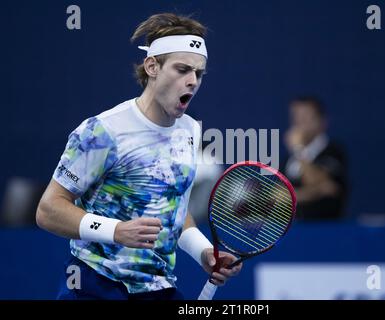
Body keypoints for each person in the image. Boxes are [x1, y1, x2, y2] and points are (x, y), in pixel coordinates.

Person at [35, 13, 242, 300]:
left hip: (158, 289)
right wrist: (116, 230)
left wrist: (203, 251)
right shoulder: (102, 131)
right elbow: (48, 210)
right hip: (94, 285)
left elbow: (172, 208)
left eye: (199, 73)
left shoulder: (191, 131)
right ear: (152, 66)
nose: (193, 81)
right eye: (182, 69)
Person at [283, 96, 348, 221]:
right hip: (293, 232)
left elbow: (313, 180)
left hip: (327, 231)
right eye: (296, 117)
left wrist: (298, 149)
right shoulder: (288, 160)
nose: (299, 123)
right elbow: (278, 196)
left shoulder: (333, 151)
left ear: (322, 122)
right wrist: (317, 191)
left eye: (306, 117)